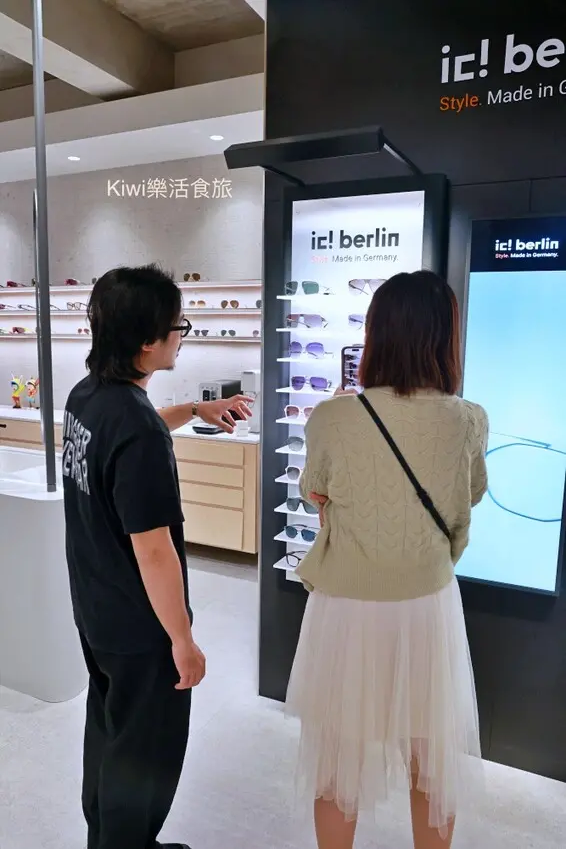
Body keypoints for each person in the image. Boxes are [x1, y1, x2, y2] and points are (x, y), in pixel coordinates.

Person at [286, 270, 489, 849]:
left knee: (337, 761)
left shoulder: (331, 417)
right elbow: (469, 497)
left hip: (347, 606)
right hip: (428, 603)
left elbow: (316, 492)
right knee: (433, 760)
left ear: (375, 334)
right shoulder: (468, 419)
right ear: (445, 337)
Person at [62, 264, 252, 849]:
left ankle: (108, 838)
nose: (181, 336)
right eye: (178, 327)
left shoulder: (87, 397)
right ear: (148, 341)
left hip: (96, 608)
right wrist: (182, 640)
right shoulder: (136, 426)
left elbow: (128, 435)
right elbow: (153, 551)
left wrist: (193, 410)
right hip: (139, 626)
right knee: (145, 752)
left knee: (110, 731)